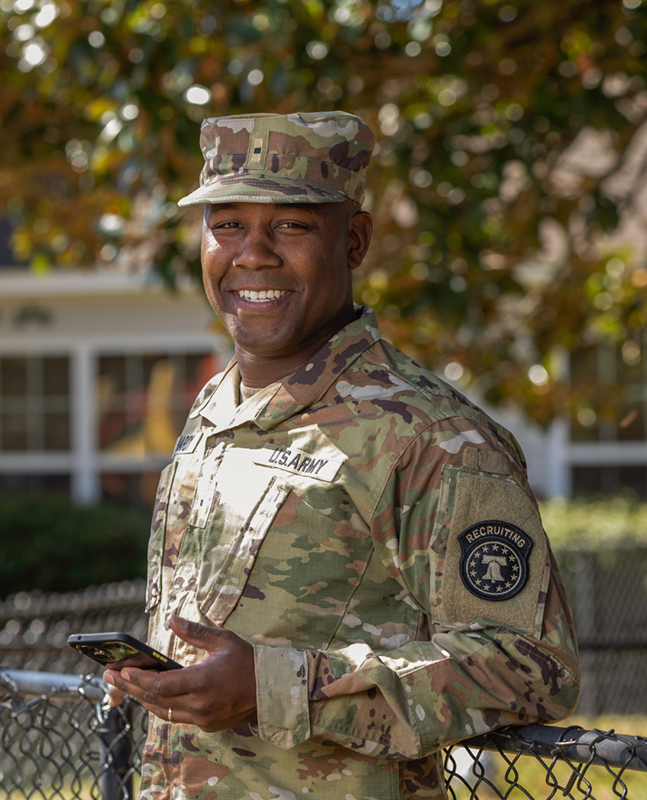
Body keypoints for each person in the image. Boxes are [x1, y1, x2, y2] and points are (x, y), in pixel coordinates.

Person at [104, 111, 580, 800]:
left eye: (291, 225)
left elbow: (532, 666)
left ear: (353, 242)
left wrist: (277, 688)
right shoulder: (216, 405)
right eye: (227, 223)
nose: (253, 254)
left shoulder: (431, 437)